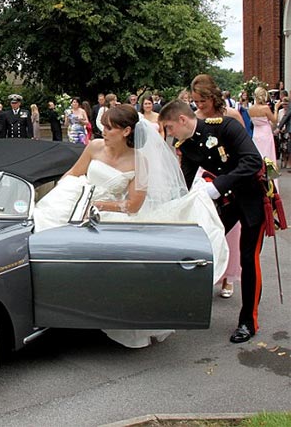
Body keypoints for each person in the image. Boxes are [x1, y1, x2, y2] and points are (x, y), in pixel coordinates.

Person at [34, 105, 227, 347]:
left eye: (110, 128)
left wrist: (101, 205)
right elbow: (73, 174)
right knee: (45, 232)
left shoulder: (139, 160)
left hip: (111, 214)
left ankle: (101, 313)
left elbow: (134, 205)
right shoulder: (94, 147)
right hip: (78, 203)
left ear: (126, 131)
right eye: (103, 126)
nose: (104, 131)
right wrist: (64, 193)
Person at [159, 100, 266, 344]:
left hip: (251, 199)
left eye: (170, 127)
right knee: (202, 246)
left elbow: (252, 162)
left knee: (249, 258)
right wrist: (167, 207)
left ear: (182, 120)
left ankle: (248, 321)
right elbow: (183, 183)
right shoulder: (186, 144)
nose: (170, 134)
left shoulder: (225, 127)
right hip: (226, 202)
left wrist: (217, 186)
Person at [190, 73, 245, 300]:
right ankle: (207, 274)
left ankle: (228, 277)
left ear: (214, 96)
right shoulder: (194, 117)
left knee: (231, 231)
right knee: (206, 226)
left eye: (204, 100)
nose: (200, 105)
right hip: (204, 177)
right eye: (196, 101)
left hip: (230, 176)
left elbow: (243, 146)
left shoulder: (231, 115)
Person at [249, 87, 278, 164]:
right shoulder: (265, 108)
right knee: (268, 154)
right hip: (265, 133)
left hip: (256, 133)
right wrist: (276, 108)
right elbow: (274, 120)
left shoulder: (251, 108)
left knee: (258, 154)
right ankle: (269, 171)